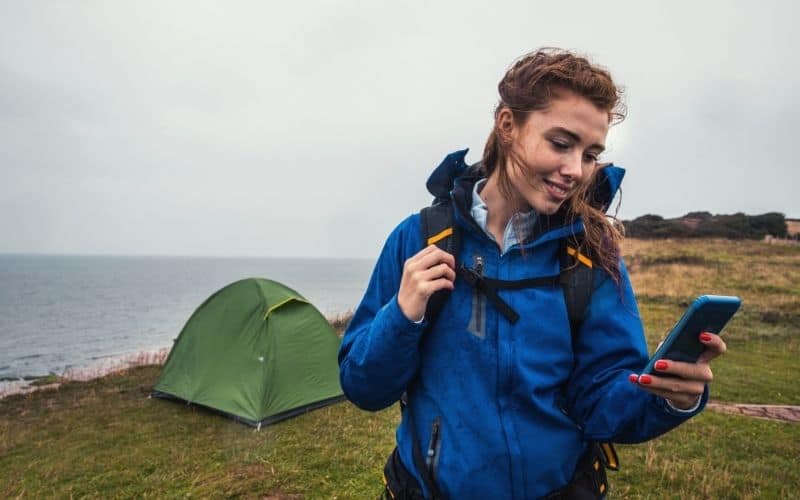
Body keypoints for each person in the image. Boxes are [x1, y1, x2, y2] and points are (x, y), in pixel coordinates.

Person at [338, 48, 725, 499]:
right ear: (508, 126)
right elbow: (364, 388)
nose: (576, 170)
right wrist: (402, 316)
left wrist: (669, 396)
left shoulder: (591, 255)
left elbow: (598, 406)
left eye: (590, 153)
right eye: (561, 144)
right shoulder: (418, 238)